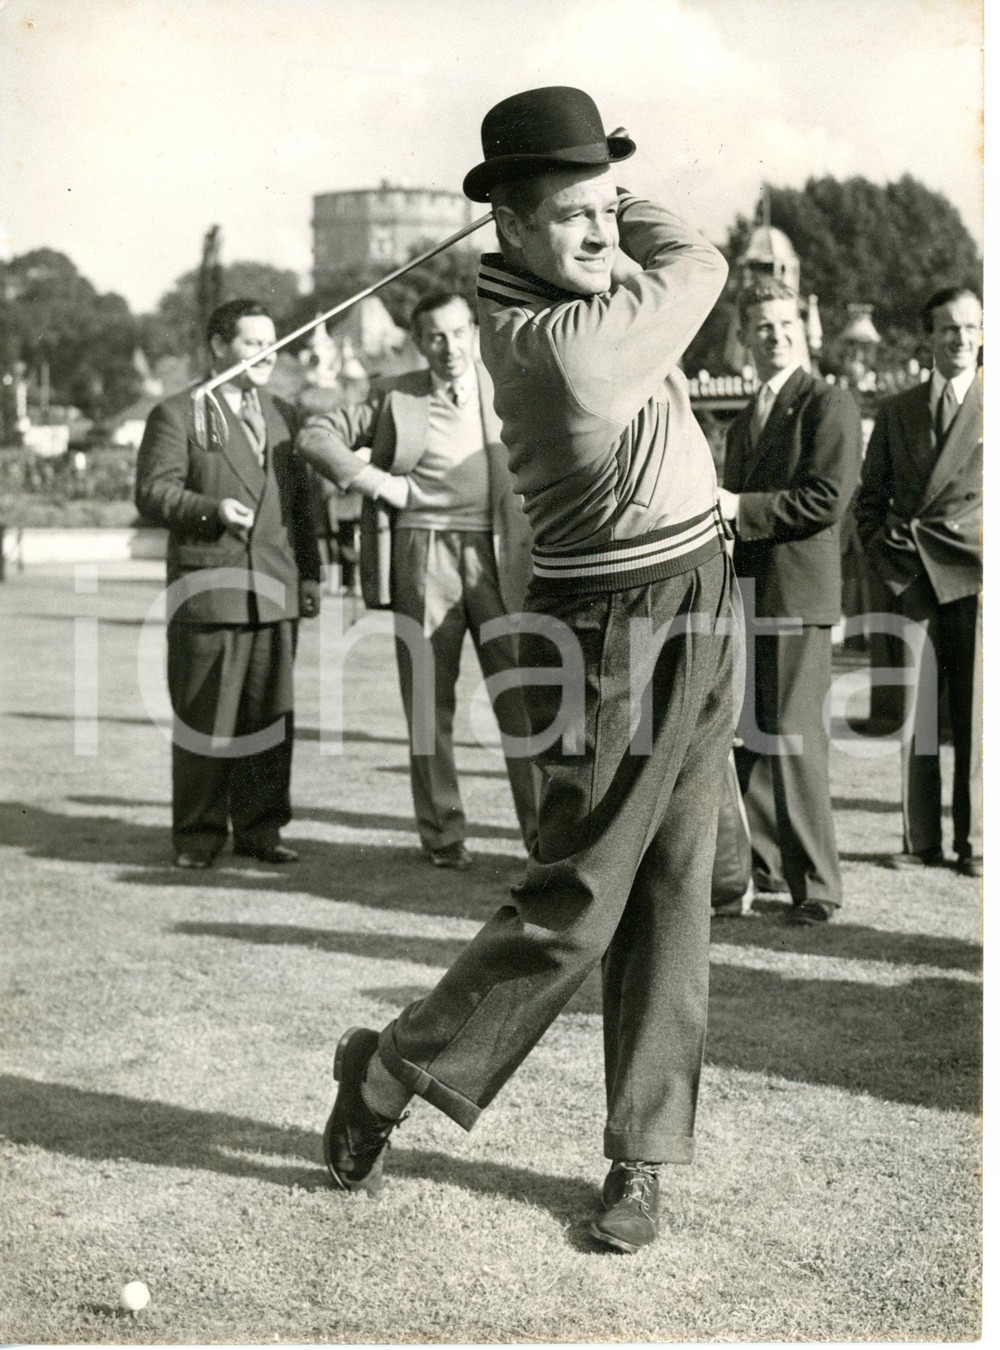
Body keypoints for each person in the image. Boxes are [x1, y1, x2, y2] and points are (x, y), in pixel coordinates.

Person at [320, 86, 737, 1255]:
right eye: (573, 215)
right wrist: (621, 198)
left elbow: (643, 249)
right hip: (612, 625)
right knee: (576, 906)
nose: (603, 231)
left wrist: (587, 185)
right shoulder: (559, 350)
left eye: (610, 207)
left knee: (674, 888)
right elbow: (700, 260)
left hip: (702, 594)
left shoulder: (572, 290)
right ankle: (387, 1071)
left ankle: (641, 1153)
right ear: (505, 226)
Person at [296, 291, 537, 866]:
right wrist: (379, 484)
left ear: (474, 332)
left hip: (501, 555)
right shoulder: (394, 394)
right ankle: (444, 837)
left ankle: (543, 839)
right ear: (418, 342)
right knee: (430, 704)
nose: (448, 347)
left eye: (458, 333)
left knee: (522, 700)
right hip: (422, 553)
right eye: (434, 336)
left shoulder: (508, 385)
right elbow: (315, 436)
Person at [135, 298, 321, 868]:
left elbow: (302, 506)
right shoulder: (177, 413)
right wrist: (212, 510)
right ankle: (198, 837)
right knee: (205, 722)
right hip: (209, 593)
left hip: (274, 591)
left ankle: (262, 831)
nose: (266, 353)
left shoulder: (285, 413)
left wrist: (310, 575)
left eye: (272, 342)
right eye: (251, 342)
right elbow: (153, 494)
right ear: (219, 346)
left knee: (270, 721)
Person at [718, 280, 862, 923]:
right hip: (750, 594)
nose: (775, 336)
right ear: (744, 338)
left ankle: (819, 888)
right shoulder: (747, 416)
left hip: (798, 595)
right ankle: (767, 865)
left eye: (785, 324)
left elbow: (826, 499)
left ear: (802, 330)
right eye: (762, 327)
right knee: (751, 734)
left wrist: (737, 507)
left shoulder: (828, 403)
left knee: (797, 743)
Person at [855, 287, 982, 878]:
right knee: (918, 715)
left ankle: (975, 843)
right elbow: (868, 504)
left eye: (971, 327)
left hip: (979, 580)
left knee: (978, 717)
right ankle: (922, 839)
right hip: (916, 579)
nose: (961, 338)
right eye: (949, 328)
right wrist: (892, 564)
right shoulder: (897, 410)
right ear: (929, 336)